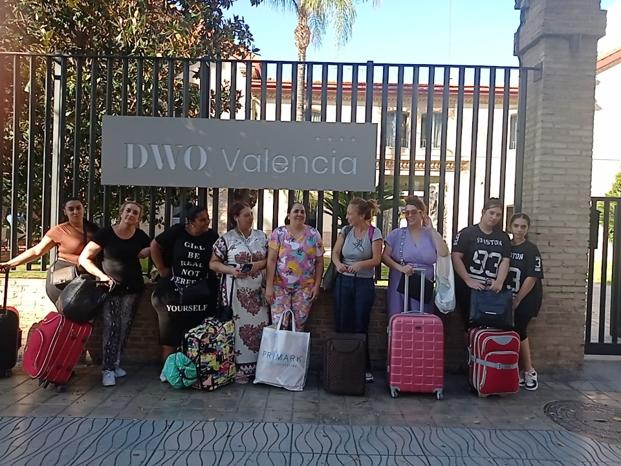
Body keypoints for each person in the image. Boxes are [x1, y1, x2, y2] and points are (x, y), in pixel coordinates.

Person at [79, 200, 151, 387]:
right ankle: (107, 369)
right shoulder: (105, 234)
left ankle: (116, 363)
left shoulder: (141, 236)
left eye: (135, 212)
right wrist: (101, 276)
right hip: (111, 288)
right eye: (128, 210)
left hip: (133, 288)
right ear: (121, 212)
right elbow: (84, 258)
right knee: (112, 327)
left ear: (138, 218)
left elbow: (151, 250)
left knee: (125, 325)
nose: (131, 215)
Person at [150, 204, 219, 380]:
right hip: (175, 291)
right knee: (170, 333)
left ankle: (193, 369)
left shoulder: (212, 236)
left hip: (200, 293)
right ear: (191, 222)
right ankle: (169, 370)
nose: (207, 223)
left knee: (196, 333)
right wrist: (162, 268)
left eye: (208, 219)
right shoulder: (178, 231)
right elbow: (155, 246)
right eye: (202, 220)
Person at [209, 202, 270, 383]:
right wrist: (230, 270)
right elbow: (213, 263)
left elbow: (271, 259)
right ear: (236, 217)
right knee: (237, 329)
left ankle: (260, 367)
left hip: (258, 292)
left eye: (251, 214)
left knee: (261, 326)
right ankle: (238, 369)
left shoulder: (262, 237)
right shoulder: (226, 239)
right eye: (246, 215)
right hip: (236, 291)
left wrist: (258, 265)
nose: (250, 218)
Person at [0, 198, 98, 304]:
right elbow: (37, 251)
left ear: (83, 209)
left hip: (88, 279)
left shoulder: (94, 230)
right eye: (71, 209)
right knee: (70, 312)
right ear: (65, 211)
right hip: (64, 279)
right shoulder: (59, 230)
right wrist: (9, 264)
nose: (75, 212)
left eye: (78, 208)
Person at [331, 198, 383, 382]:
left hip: (363, 283)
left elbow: (377, 259)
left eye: (350, 214)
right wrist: (338, 264)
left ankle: (363, 366)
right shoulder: (345, 231)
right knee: (342, 322)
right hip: (344, 282)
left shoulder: (374, 233)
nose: (347, 217)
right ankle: (343, 364)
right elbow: (335, 253)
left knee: (361, 324)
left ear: (361, 215)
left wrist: (361, 264)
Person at [383, 196, 449, 316]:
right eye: (406, 212)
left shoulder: (430, 235)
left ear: (422, 213)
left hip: (423, 283)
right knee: (398, 313)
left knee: (421, 316)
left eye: (414, 212)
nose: (409, 215)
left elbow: (444, 253)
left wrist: (432, 229)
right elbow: (385, 257)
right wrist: (400, 268)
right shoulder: (396, 234)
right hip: (400, 278)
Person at [451, 198, 512, 330]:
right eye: (491, 213)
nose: (494, 217)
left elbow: (505, 260)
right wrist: (468, 280)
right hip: (469, 288)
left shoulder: (503, 237)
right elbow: (456, 257)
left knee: (493, 323)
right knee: (469, 324)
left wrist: (500, 281)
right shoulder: (467, 233)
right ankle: (470, 349)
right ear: (483, 212)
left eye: (498, 214)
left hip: (491, 289)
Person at [265, 202, 324, 331]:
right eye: (296, 211)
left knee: (298, 325)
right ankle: (279, 351)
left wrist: (317, 285)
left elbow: (320, 262)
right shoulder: (279, 233)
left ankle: (294, 352)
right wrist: (269, 286)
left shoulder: (314, 235)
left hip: (304, 288)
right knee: (279, 325)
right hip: (280, 287)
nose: (299, 214)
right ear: (288, 215)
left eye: (302, 212)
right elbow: (271, 260)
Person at [507, 213, 544, 391]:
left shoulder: (531, 249)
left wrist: (518, 299)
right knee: (512, 330)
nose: (519, 230)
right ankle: (517, 370)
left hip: (527, 297)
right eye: (516, 226)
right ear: (510, 227)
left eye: (523, 227)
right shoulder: (507, 246)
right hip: (509, 296)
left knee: (520, 330)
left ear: (528, 229)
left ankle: (529, 370)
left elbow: (532, 277)